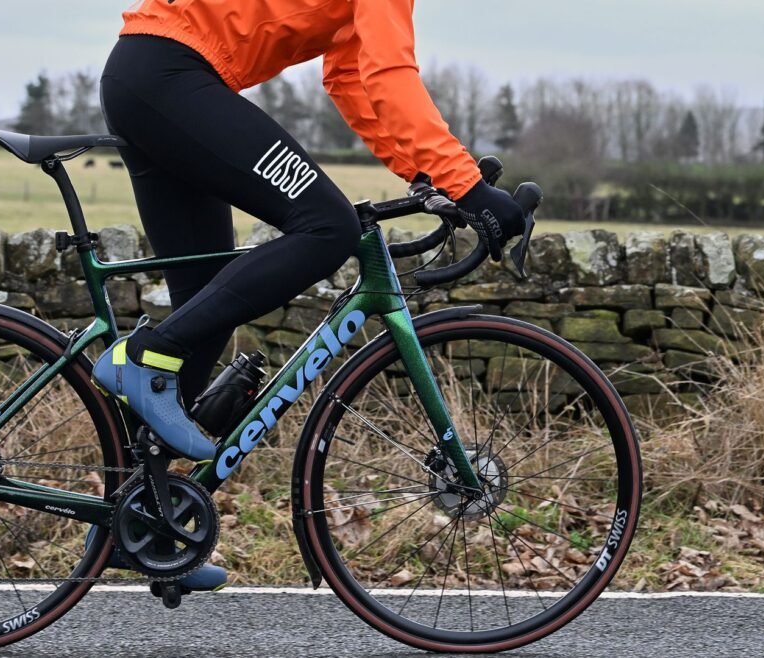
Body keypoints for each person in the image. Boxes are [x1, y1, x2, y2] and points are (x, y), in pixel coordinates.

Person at [90, 0, 528, 592]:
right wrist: (466, 184)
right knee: (328, 225)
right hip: (171, 72)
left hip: (151, 75)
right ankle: (143, 357)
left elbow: (351, 76)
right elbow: (389, 73)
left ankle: (141, 525)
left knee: (204, 299)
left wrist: (424, 177)